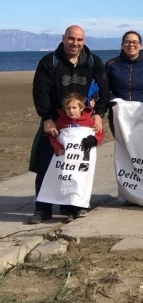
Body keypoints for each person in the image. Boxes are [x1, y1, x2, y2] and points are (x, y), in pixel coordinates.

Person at [30, 25, 110, 224]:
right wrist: (47, 118)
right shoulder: (50, 62)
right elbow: (40, 92)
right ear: (63, 38)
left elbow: (105, 90)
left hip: (83, 123)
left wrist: (99, 114)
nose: (75, 43)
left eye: (79, 40)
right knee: (47, 164)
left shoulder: (93, 61)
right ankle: (43, 207)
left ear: (84, 41)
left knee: (76, 166)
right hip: (57, 121)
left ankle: (73, 205)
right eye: (71, 39)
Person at [36, 93, 105, 223]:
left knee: (80, 181)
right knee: (66, 181)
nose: (71, 111)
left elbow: (100, 132)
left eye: (74, 108)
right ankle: (68, 208)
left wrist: (94, 140)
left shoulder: (89, 121)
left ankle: (80, 207)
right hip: (65, 160)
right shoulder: (61, 122)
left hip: (82, 160)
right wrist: (56, 146)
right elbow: (53, 136)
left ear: (81, 108)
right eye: (68, 108)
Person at [105, 31, 143, 138]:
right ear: (122, 45)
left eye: (135, 42)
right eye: (127, 42)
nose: (131, 45)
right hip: (120, 116)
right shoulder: (111, 64)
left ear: (141, 45)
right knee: (124, 151)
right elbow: (104, 89)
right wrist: (112, 101)